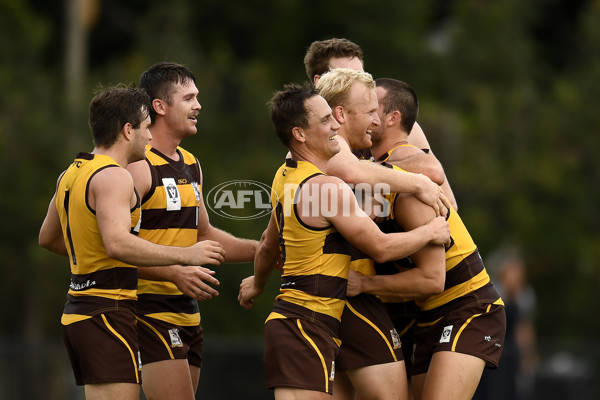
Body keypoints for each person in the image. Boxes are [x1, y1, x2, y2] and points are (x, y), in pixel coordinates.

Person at [238, 83, 450, 399]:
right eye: (325, 120)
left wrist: (258, 282)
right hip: (305, 325)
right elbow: (380, 247)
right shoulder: (328, 189)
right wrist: (431, 232)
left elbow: (269, 244)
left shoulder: (284, 175)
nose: (336, 124)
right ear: (299, 134)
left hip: (302, 323)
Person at [38, 85, 226, 400]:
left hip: (81, 311)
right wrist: (184, 255)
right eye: (146, 128)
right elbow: (118, 245)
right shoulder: (115, 176)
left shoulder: (71, 173)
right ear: (128, 131)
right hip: (106, 310)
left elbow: (49, 238)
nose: (151, 137)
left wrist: (92, 252)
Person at [349, 77, 507, 400]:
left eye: (373, 108)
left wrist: (364, 285)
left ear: (393, 119)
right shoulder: (381, 171)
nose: (367, 115)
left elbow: (433, 279)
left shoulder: (409, 184)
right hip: (429, 315)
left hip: (468, 307)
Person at [126, 62, 259, 400]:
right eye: (188, 98)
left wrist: (266, 251)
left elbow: (204, 235)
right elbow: (110, 246)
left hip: (187, 310)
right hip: (149, 308)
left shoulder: (190, 163)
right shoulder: (137, 167)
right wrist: (172, 271)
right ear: (160, 106)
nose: (198, 105)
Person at [303, 37, 458, 211]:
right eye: (345, 75)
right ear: (319, 81)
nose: (356, 81)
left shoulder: (391, 124)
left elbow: (446, 198)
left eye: (360, 75)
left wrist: (370, 172)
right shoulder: (308, 136)